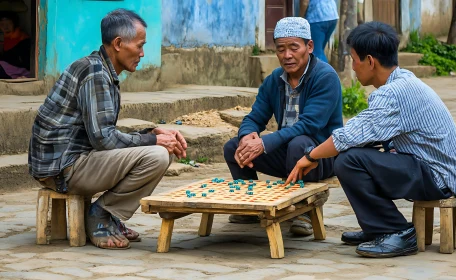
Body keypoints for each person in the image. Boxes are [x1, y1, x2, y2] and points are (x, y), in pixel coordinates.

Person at [286, 21, 456, 257]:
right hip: (440, 172)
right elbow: (365, 131)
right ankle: (376, 228)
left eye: (354, 60)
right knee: (358, 154)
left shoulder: (392, 94)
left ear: (370, 61)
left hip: (438, 177)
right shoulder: (403, 80)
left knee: (349, 160)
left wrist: (309, 157)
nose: (352, 67)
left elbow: (349, 136)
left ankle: (397, 232)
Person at [28, 9, 188, 250]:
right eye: (140, 46)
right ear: (118, 44)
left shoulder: (100, 69)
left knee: (155, 147)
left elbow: (101, 132)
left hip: (68, 161)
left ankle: (107, 214)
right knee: (156, 156)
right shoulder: (95, 74)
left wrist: (152, 133)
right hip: (63, 168)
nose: (143, 53)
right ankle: (100, 215)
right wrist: (153, 142)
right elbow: (104, 139)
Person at [223, 17, 342, 236]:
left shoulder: (326, 77)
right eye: (281, 49)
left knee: (300, 143)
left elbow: (309, 125)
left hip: (320, 157)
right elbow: (254, 117)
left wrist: (264, 143)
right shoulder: (274, 80)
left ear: (309, 46)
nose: (287, 55)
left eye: (294, 48)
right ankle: (251, 204)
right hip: (288, 154)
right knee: (233, 147)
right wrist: (247, 136)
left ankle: (304, 209)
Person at [0, 12, 30, 79]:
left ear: (14, 24)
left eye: (9, 24)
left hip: (20, 71)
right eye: (2, 24)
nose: (5, 27)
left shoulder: (23, 39)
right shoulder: (4, 38)